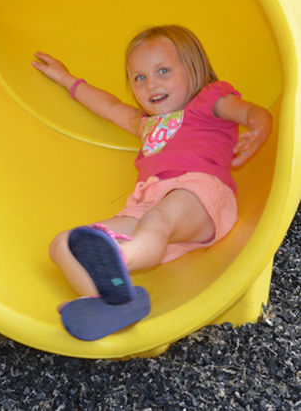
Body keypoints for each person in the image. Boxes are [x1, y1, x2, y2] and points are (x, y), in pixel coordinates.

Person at [32, 25, 272, 340]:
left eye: (163, 71)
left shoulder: (208, 102)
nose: (151, 84)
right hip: (147, 205)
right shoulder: (147, 125)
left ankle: (119, 259)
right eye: (139, 78)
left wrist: (259, 128)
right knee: (65, 243)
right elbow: (108, 107)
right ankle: (113, 300)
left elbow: (253, 111)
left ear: (193, 69)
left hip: (199, 194)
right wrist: (66, 79)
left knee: (158, 218)